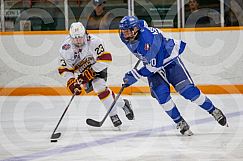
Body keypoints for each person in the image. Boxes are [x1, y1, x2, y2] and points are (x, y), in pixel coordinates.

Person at [119, 16, 227, 136]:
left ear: (135, 29)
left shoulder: (148, 39)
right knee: (162, 96)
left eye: (127, 30)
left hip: (168, 58)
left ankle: (213, 110)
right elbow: (143, 22)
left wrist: (135, 75)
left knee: (187, 91)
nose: (124, 34)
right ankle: (179, 121)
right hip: (153, 62)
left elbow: (155, 65)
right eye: (123, 31)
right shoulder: (126, 35)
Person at [58, 22, 134, 128]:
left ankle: (114, 116)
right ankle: (123, 104)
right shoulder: (65, 48)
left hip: (97, 66)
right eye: (75, 38)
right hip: (81, 72)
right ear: (70, 37)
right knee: (103, 90)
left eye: (80, 37)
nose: (78, 40)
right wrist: (71, 82)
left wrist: (92, 71)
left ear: (85, 33)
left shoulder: (94, 41)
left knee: (99, 87)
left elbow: (106, 59)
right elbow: (65, 69)